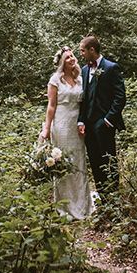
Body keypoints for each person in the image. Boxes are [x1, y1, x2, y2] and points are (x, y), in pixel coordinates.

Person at [40, 46, 94, 219]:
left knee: (78, 162)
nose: (72, 59)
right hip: (62, 124)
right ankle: (65, 206)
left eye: (73, 56)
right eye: (68, 57)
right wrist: (46, 129)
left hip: (77, 125)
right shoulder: (55, 79)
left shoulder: (80, 79)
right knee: (64, 163)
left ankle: (82, 204)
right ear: (62, 62)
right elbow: (51, 106)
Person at [78, 35, 126, 203]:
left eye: (83, 50)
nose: (81, 54)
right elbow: (84, 99)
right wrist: (81, 120)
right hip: (89, 126)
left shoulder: (111, 68)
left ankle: (114, 199)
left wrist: (108, 119)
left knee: (109, 162)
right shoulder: (84, 70)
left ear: (92, 50)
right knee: (96, 162)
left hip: (104, 124)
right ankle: (103, 199)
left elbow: (120, 97)